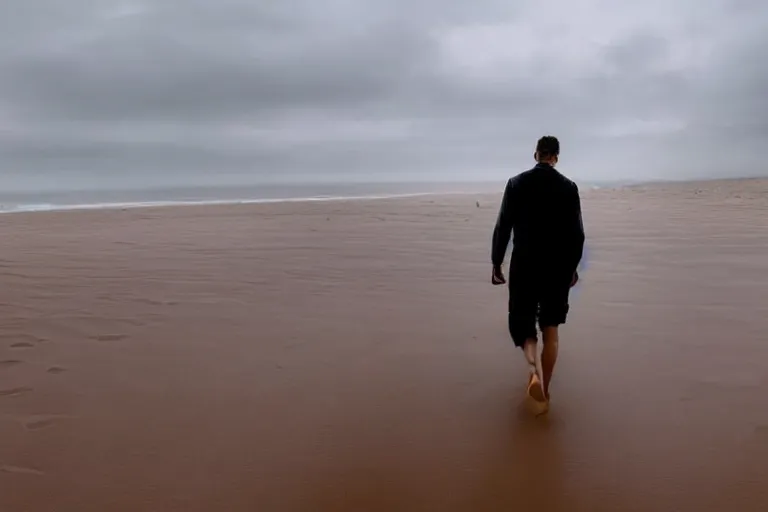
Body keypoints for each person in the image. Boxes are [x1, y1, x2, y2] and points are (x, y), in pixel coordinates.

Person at [491, 136, 585, 410]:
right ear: (556, 157)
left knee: (524, 322)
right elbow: (577, 234)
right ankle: (546, 389)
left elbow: (503, 226)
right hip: (556, 268)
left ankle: (533, 370)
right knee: (551, 328)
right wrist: (572, 268)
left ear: (536, 154)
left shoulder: (516, 183)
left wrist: (497, 262)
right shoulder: (568, 188)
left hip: (525, 265)